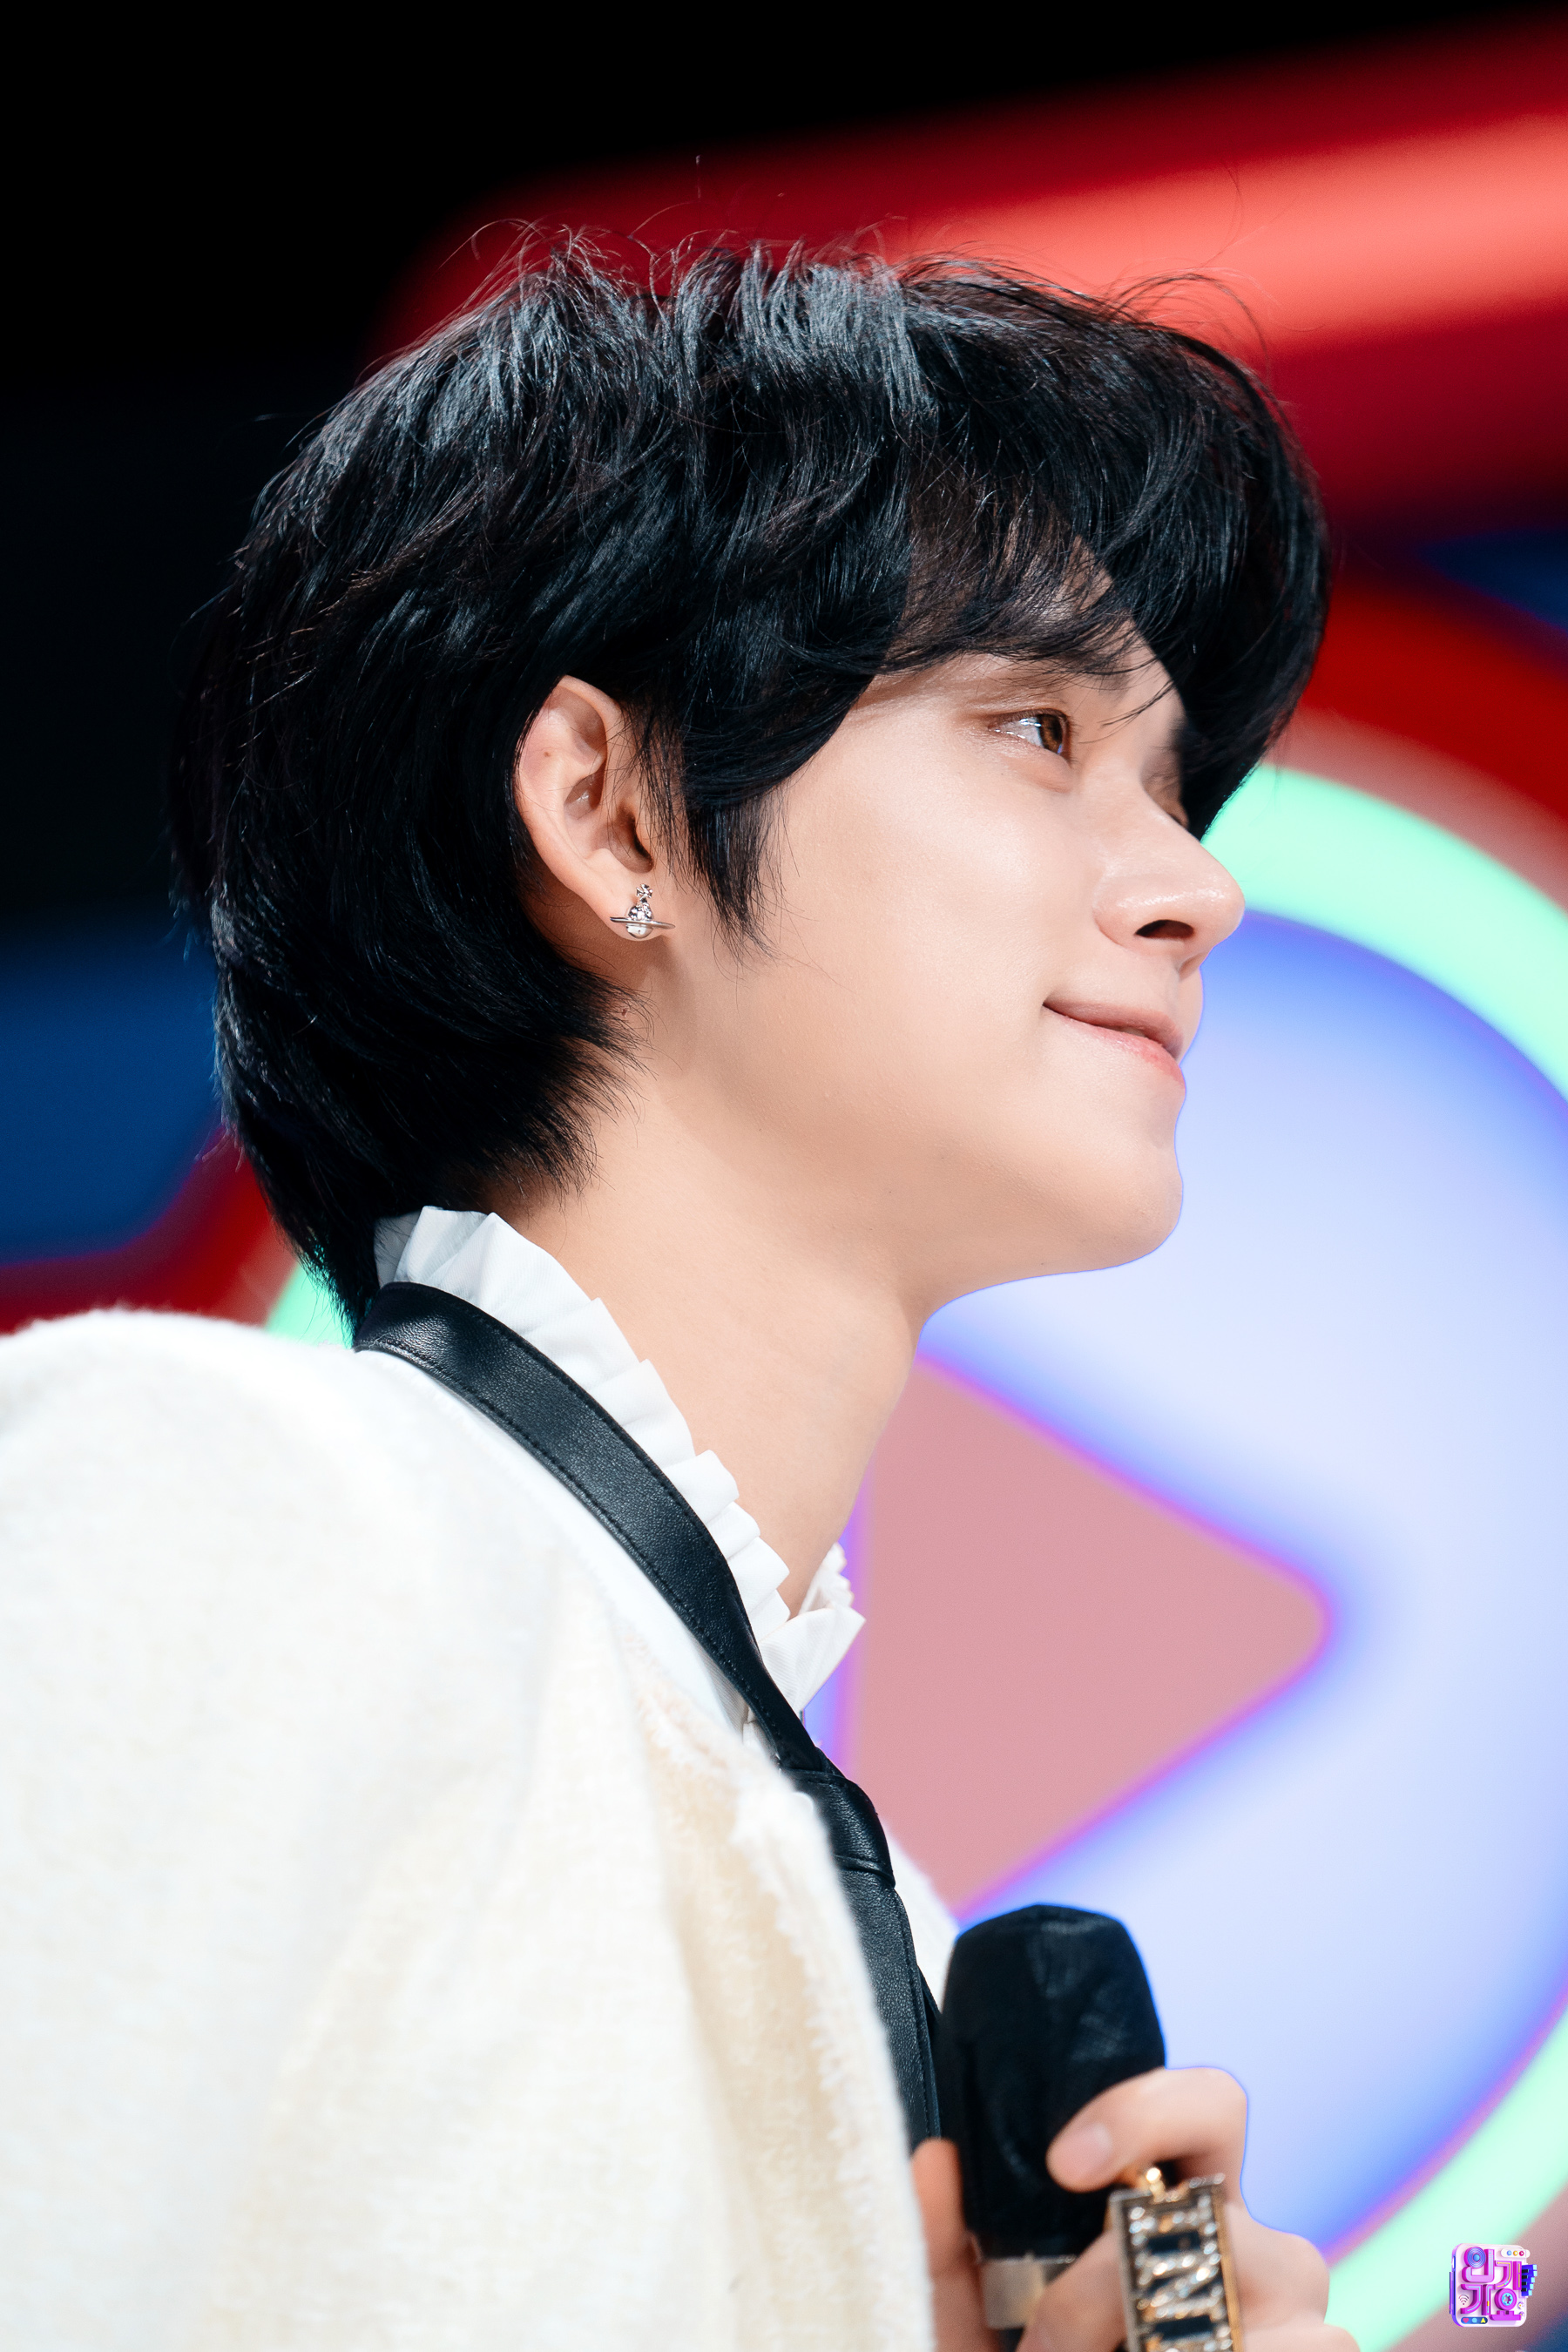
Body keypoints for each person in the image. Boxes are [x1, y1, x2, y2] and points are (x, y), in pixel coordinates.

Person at [0, 247, 1345, 2351]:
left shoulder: (891, 1939)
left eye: (1177, 787)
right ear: (608, 808)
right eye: (1037, 729)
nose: (1199, 885)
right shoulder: (228, 1500)